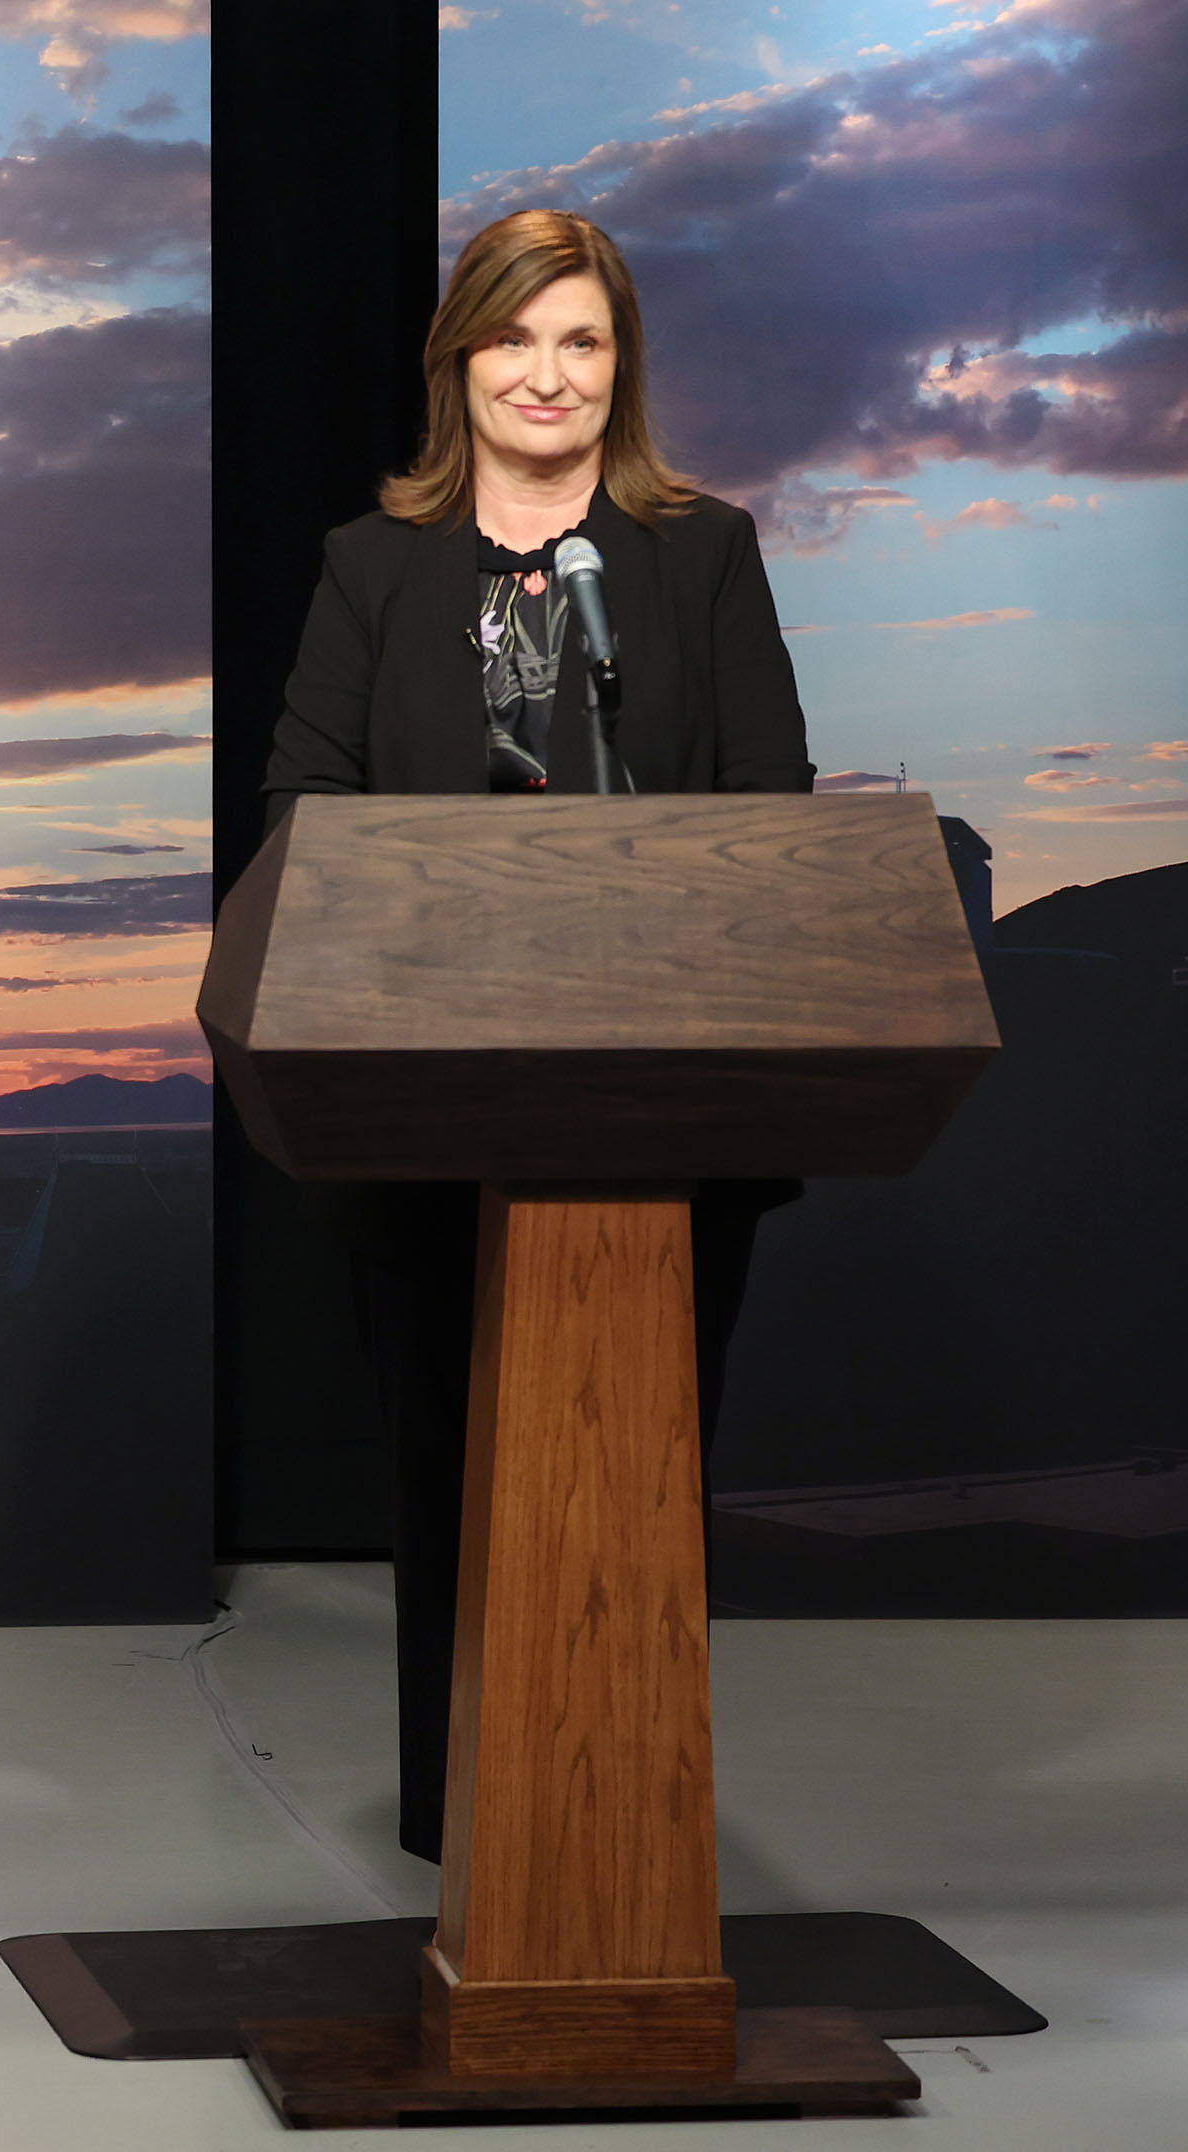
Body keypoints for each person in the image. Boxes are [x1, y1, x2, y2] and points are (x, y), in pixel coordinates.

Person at [258, 208, 814, 1862]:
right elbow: (303, 809)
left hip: (667, 1108)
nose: (547, 374)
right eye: (514, 338)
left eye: (583, 341)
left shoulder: (698, 554)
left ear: (620, 366)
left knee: (643, 1466)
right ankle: (477, 1830)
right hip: (430, 1106)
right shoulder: (375, 566)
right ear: (459, 360)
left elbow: (771, 807)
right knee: (451, 1455)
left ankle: (625, 1818)